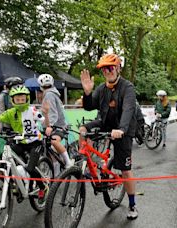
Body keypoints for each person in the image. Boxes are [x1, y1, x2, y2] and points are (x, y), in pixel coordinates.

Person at [79, 53, 139, 220]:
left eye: (111, 68)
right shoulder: (101, 88)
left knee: (125, 170)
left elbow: (128, 110)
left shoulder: (127, 87)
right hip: (106, 123)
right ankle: (83, 161)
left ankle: (132, 204)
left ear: (118, 68)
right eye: (104, 69)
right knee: (83, 129)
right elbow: (89, 106)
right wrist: (87, 92)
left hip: (123, 129)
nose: (107, 71)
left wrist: (121, 129)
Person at [0, 85, 49, 201]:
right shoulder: (11, 112)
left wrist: (46, 117)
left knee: (30, 168)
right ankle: (13, 184)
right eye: (17, 100)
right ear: (13, 100)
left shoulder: (32, 110)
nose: (20, 102)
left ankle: (42, 187)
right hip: (20, 141)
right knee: (3, 161)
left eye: (22, 99)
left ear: (27, 99)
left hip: (35, 142)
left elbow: (44, 121)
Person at [37, 73, 73, 176]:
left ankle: (68, 162)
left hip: (58, 126)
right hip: (54, 125)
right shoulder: (52, 93)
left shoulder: (49, 94)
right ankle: (56, 174)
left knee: (54, 141)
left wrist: (50, 126)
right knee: (51, 151)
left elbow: (53, 112)